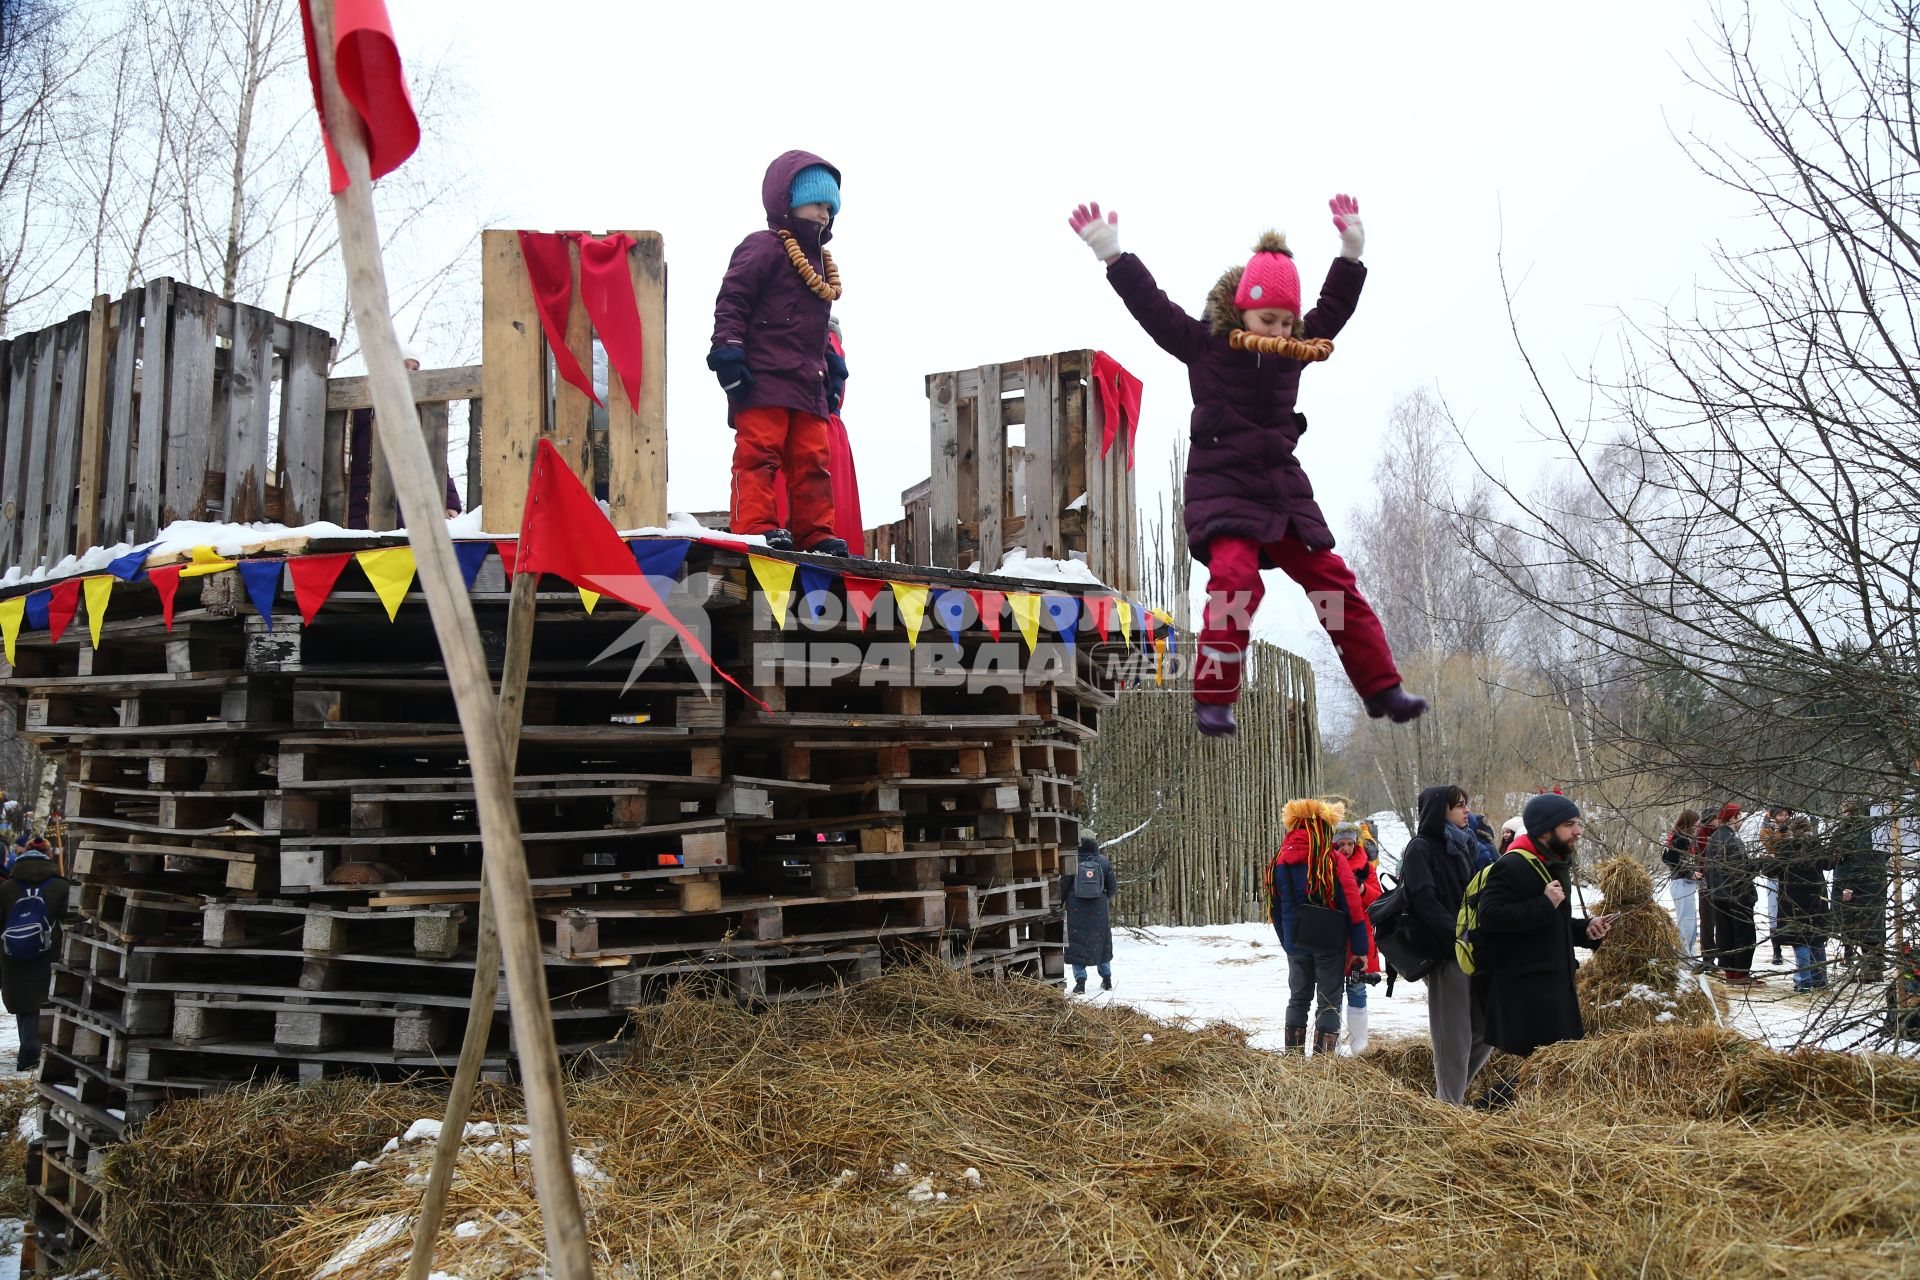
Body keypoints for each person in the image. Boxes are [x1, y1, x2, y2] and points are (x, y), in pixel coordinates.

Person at [1066, 197, 1424, 738]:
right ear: (1242, 309)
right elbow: (1153, 308)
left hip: (1282, 489)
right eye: (1268, 319)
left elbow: (1335, 309)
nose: (1279, 331)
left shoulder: (1294, 346)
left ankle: (1381, 688)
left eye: (1287, 321)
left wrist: (1351, 253)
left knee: (1331, 582)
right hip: (1223, 489)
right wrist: (1112, 254)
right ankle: (1213, 699)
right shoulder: (1204, 345)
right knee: (1235, 583)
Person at [709, 151, 850, 556]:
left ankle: (815, 534)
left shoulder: (819, 263)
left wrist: (833, 366)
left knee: (812, 463)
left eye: (830, 207)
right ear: (787, 201)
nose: (824, 214)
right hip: (764, 378)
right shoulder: (765, 247)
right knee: (759, 454)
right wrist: (729, 351)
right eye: (817, 203)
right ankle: (755, 527)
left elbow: (813, 324)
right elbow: (733, 301)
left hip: (807, 383)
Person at [1475, 793, 1611, 1058]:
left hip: (1555, 989)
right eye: (1569, 824)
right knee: (1538, 1075)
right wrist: (1544, 904)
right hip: (1528, 996)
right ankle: (1489, 1102)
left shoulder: (1551, 864)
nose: (1578, 831)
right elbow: (1490, 917)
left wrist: (1586, 930)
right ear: (1546, 829)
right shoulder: (1512, 864)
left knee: (1553, 1072)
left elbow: (1549, 924)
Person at [1397, 784, 1490, 1103]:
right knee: (1454, 1034)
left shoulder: (1466, 845)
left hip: (1470, 948)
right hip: (1444, 952)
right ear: (1440, 811)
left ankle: (1449, 1098)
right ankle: (1448, 1106)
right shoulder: (1420, 848)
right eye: (1459, 805)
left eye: (1466, 804)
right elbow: (1425, 902)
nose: (1467, 811)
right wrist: (1458, 937)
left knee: (1486, 1028)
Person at [1271, 799, 1370, 1054]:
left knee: (1298, 999)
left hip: (1295, 943)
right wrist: (1360, 948)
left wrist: (1288, 943)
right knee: (1329, 1002)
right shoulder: (1332, 860)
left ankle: (1292, 1060)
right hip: (1329, 943)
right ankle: (1322, 1067)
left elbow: (1275, 908)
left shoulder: (1279, 861)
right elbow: (1353, 906)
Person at [347, 350, 463, 526]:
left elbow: (436, 462)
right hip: (365, 505)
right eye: (404, 366)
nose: (410, 373)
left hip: (412, 510)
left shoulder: (421, 416)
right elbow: (344, 456)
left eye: (415, 369)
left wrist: (449, 502)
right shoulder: (362, 406)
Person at [0, 837, 67, 1071]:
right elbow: (70, 919)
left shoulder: (6, 888)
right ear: (49, 856)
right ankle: (32, 1052)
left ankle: (27, 1049)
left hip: (11, 956)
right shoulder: (60, 886)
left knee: (23, 1002)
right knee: (40, 1001)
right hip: (47, 954)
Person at [1334, 821, 1383, 1054]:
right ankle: (1330, 1044)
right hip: (1333, 938)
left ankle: (1359, 1046)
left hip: (1359, 940)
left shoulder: (1366, 868)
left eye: (1349, 844)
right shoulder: (1326, 867)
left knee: (1356, 989)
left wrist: (1362, 890)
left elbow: (1378, 900)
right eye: (1340, 844)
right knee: (1331, 991)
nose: (1345, 849)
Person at [1774, 815, 1833, 992]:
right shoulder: (1815, 845)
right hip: (1816, 897)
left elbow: (1773, 870)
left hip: (1792, 899)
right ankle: (1820, 980)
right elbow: (1828, 864)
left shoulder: (1786, 847)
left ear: (1791, 829)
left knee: (1799, 940)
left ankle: (1804, 982)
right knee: (1817, 939)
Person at [1704, 802, 1761, 983]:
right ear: (1733, 817)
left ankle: (1730, 973)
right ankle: (1741, 974)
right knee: (1744, 935)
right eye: (1740, 816)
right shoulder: (1731, 840)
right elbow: (1740, 871)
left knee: (1724, 934)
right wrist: (1760, 863)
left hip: (1719, 895)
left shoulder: (1714, 838)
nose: (1741, 820)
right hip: (1737, 895)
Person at [1833, 800, 1888, 978]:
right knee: (1875, 925)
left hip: (1862, 886)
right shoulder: (1879, 830)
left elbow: (1858, 861)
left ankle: (1870, 971)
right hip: (1875, 883)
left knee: (1866, 927)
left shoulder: (1861, 834)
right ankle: (1875, 968)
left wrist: (1849, 886)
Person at [1062, 836, 1116, 994]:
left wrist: (1058, 904)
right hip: (1099, 911)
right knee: (1102, 942)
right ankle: (1106, 979)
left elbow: (1063, 886)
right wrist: (1103, 898)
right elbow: (1112, 888)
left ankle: (1080, 982)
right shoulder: (1104, 862)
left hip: (1076, 911)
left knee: (1077, 944)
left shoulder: (1073, 862)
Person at [1662, 809, 1702, 960]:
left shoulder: (1684, 837)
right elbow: (1669, 859)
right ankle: (1683, 956)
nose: (1698, 826)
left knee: (1690, 922)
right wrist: (1688, 873)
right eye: (1696, 824)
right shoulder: (1679, 838)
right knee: (1685, 922)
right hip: (1681, 882)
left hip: (1686, 883)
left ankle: (1688, 953)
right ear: (1689, 823)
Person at [1758, 806, 1791, 967]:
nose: (1783, 817)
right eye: (1780, 814)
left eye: (1786, 815)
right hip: (1774, 874)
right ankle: (1776, 949)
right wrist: (1782, 834)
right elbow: (1771, 846)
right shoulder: (1766, 830)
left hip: (1790, 874)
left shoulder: (1792, 829)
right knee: (1773, 911)